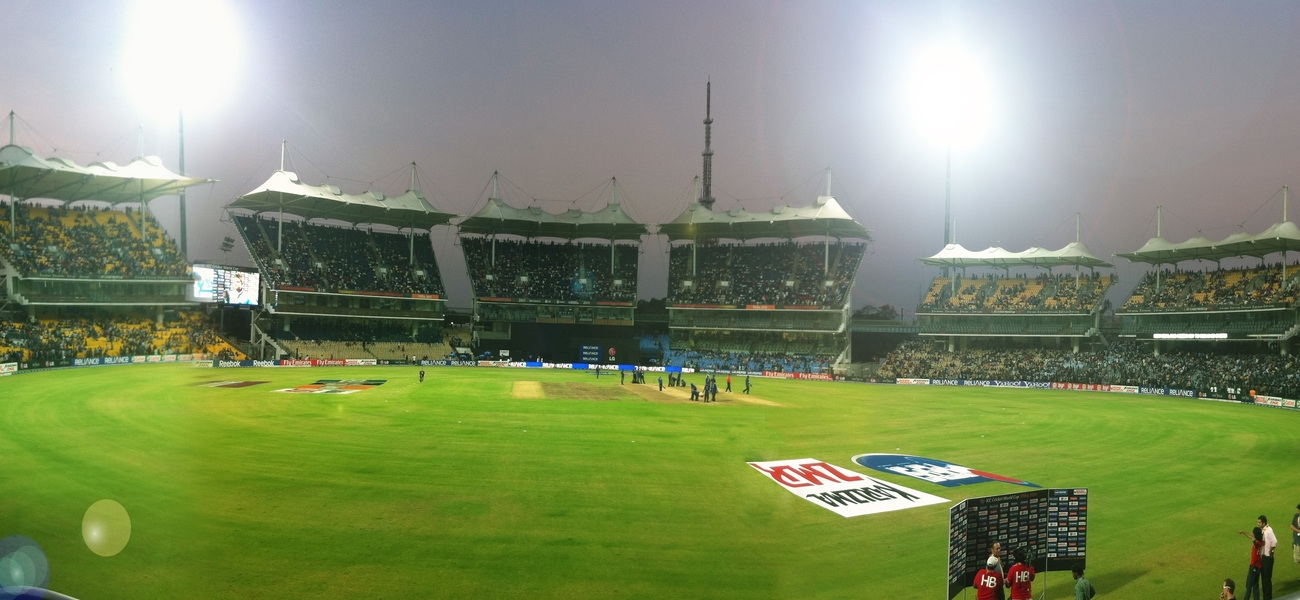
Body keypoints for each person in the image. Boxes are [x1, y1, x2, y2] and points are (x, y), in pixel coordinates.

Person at [1238, 526, 1264, 600]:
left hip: (1254, 567)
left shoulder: (1257, 543)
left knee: (1249, 586)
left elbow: (1253, 540)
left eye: (1253, 533)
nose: (1252, 534)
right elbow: (1251, 537)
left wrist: (1251, 535)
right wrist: (1243, 532)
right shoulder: (1261, 541)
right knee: (1255, 585)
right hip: (1257, 567)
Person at [1260, 515, 1277, 599]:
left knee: (1266, 580)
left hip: (1268, 558)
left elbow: (1275, 542)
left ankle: (1268, 598)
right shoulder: (1263, 530)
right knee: (1264, 579)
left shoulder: (1269, 530)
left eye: (1259, 522)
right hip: (1264, 558)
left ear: (1264, 523)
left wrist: (1271, 551)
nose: (1258, 524)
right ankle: (1266, 597)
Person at [1291, 503, 1299, 571]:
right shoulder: (1296, 516)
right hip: (1297, 541)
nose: (1298, 510)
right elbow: (1292, 526)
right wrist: (1298, 531)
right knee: (1298, 559)